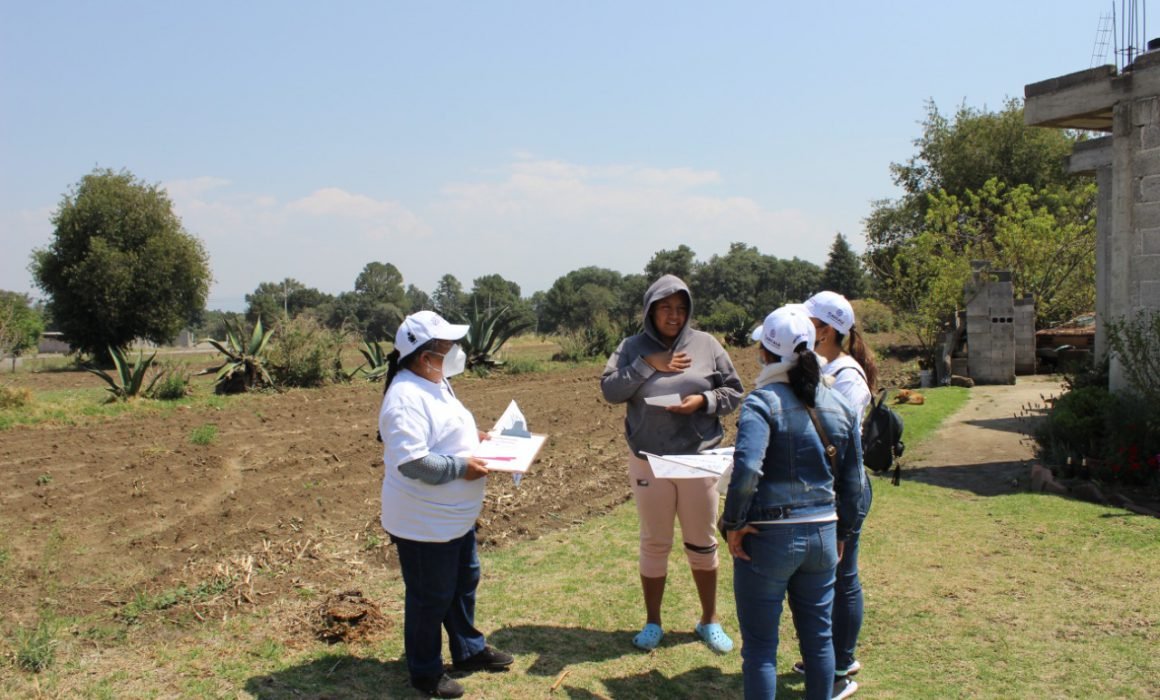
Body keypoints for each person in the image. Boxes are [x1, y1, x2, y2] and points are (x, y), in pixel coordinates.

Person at [721, 306, 865, 700]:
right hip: (822, 535)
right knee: (819, 642)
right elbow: (854, 482)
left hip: (768, 538)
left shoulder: (761, 402)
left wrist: (732, 522)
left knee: (762, 650)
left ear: (765, 353)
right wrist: (844, 532)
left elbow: (747, 468)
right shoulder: (839, 403)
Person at [600, 274, 744, 654]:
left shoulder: (707, 345)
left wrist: (703, 402)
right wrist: (648, 365)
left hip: (698, 457)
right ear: (650, 309)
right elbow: (610, 390)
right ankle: (653, 623)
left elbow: (734, 390)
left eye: (681, 309)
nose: (674, 316)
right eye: (666, 307)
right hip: (649, 459)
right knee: (655, 540)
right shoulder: (632, 347)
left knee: (702, 540)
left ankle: (709, 620)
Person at [378, 310, 513, 699]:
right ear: (424, 356)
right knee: (430, 596)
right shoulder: (404, 398)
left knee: (463, 583)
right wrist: (461, 467)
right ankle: (424, 671)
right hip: (424, 524)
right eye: (447, 347)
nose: (456, 352)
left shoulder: (437, 381)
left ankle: (468, 649)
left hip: (456, 519)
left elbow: (448, 431)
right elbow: (414, 461)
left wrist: (479, 437)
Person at [794, 291, 879, 699]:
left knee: (842, 579)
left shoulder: (847, 376)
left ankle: (840, 667)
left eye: (808, 323)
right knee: (830, 577)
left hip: (845, 490)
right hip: (827, 486)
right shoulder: (829, 367)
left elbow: (835, 438)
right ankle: (825, 658)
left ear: (825, 330)